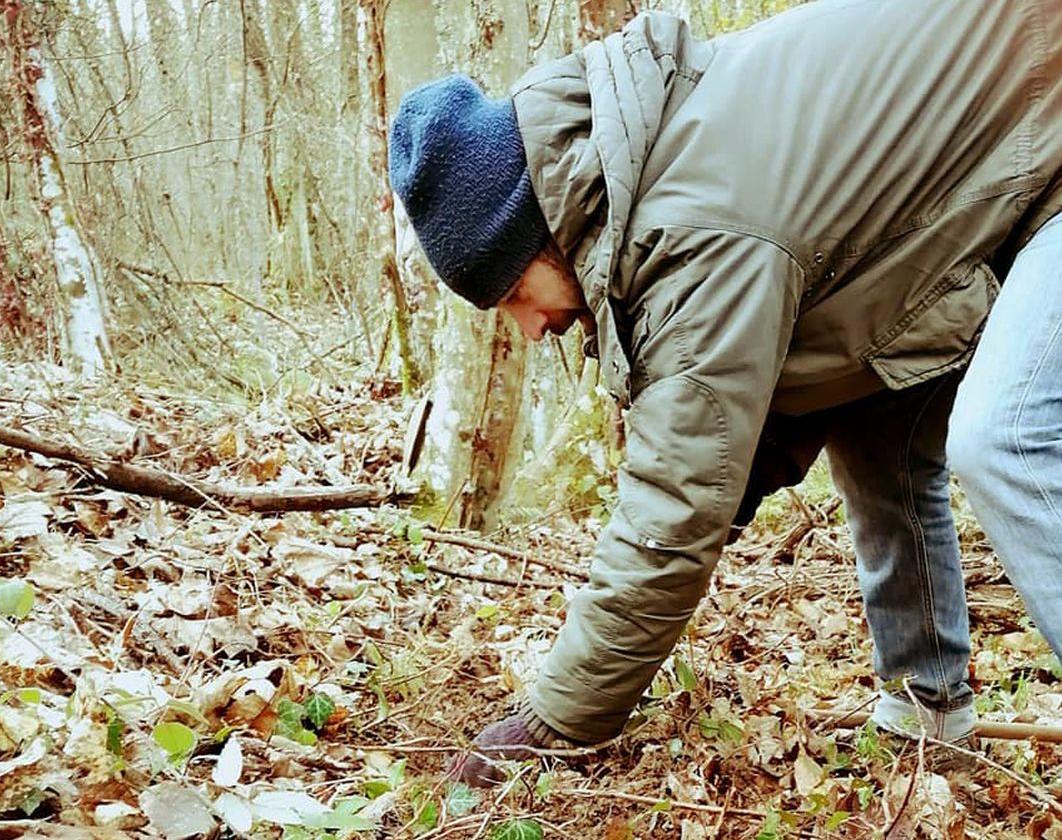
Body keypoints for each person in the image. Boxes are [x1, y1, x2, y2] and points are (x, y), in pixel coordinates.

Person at [387, 0, 1062, 787]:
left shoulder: (693, 219)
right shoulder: (664, 161)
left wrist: (551, 722)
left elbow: (677, 506)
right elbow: (755, 419)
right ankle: (928, 717)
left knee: (1002, 440)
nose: (532, 328)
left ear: (533, 230)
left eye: (510, 296)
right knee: (872, 423)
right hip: (998, 177)